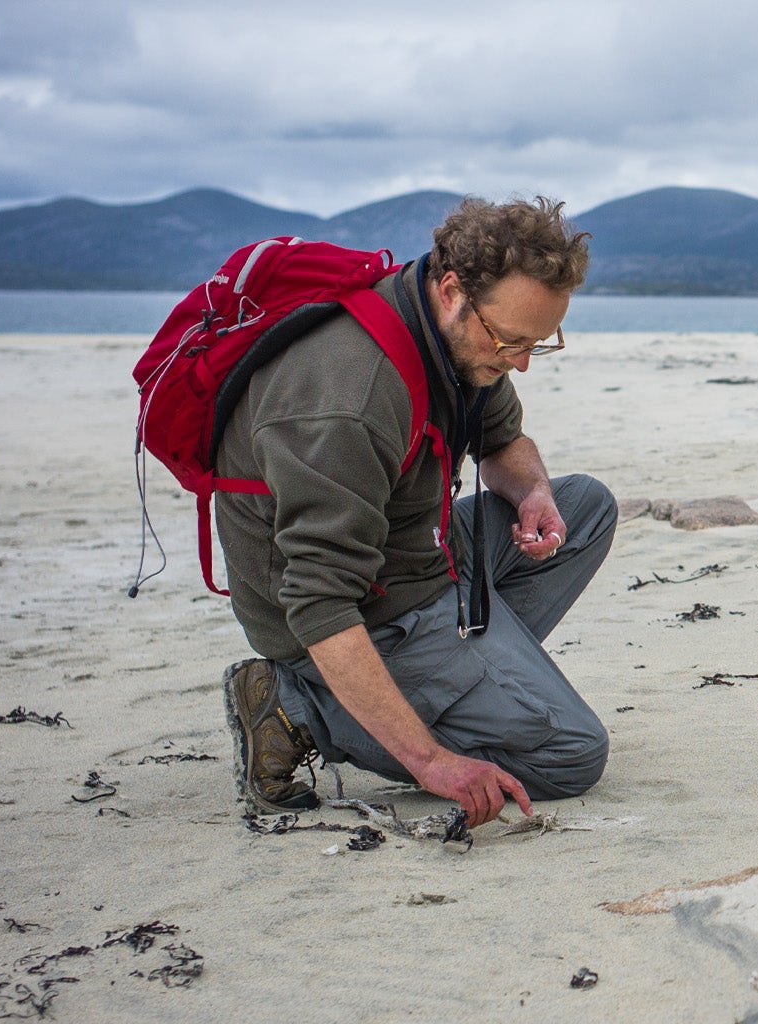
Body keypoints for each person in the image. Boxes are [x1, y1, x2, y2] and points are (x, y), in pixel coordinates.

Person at [216, 197, 613, 827]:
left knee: (585, 505)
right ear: (453, 290)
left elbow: (502, 441)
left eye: (541, 343)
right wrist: (430, 762)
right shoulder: (350, 399)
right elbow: (318, 600)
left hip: (415, 550)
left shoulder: (451, 333)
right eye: (512, 341)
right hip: (353, 606)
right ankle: (296, 704)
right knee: (572, 755)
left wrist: (532, 490)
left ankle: (458, 680)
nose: (521, 362)